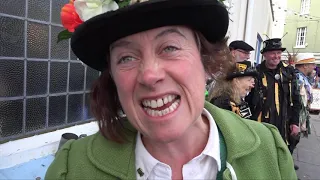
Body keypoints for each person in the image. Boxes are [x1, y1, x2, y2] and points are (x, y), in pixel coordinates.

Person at [45, 1, 297, 179]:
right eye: (126, 58)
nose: (150, 75)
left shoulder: (269, 152)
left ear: (205, 62)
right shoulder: (72, 169)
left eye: (170, 48)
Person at [246, 38, 301, 169]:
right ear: (264, 55)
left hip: (284, 120)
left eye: (278, 53)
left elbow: (296, 98)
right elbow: (248, 99)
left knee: (283, 149)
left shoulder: (288, 72)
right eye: (272, 53)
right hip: (262, 121)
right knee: (262, 152)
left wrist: (295, 122)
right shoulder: (255, 72)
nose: (276, 56)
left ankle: (283, 170)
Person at [294, 53, 316, 137]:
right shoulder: (297, 78)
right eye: (312, 64)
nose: (314, 67)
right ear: (305, 65)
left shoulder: (303, 78)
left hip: (299, 118)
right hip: (295, 120)